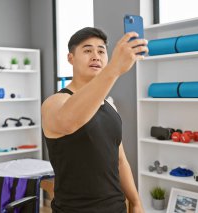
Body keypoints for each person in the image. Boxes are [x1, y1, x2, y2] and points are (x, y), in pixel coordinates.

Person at [42, 27, 148, 213]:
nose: (96, 56)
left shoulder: (110, 106)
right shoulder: (54, 103)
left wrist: (136, 201)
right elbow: (69, 122)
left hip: (117, 208)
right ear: (70, 58)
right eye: (87, 50)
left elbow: (120, 160)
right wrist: (115, 68)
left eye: (101, 51)